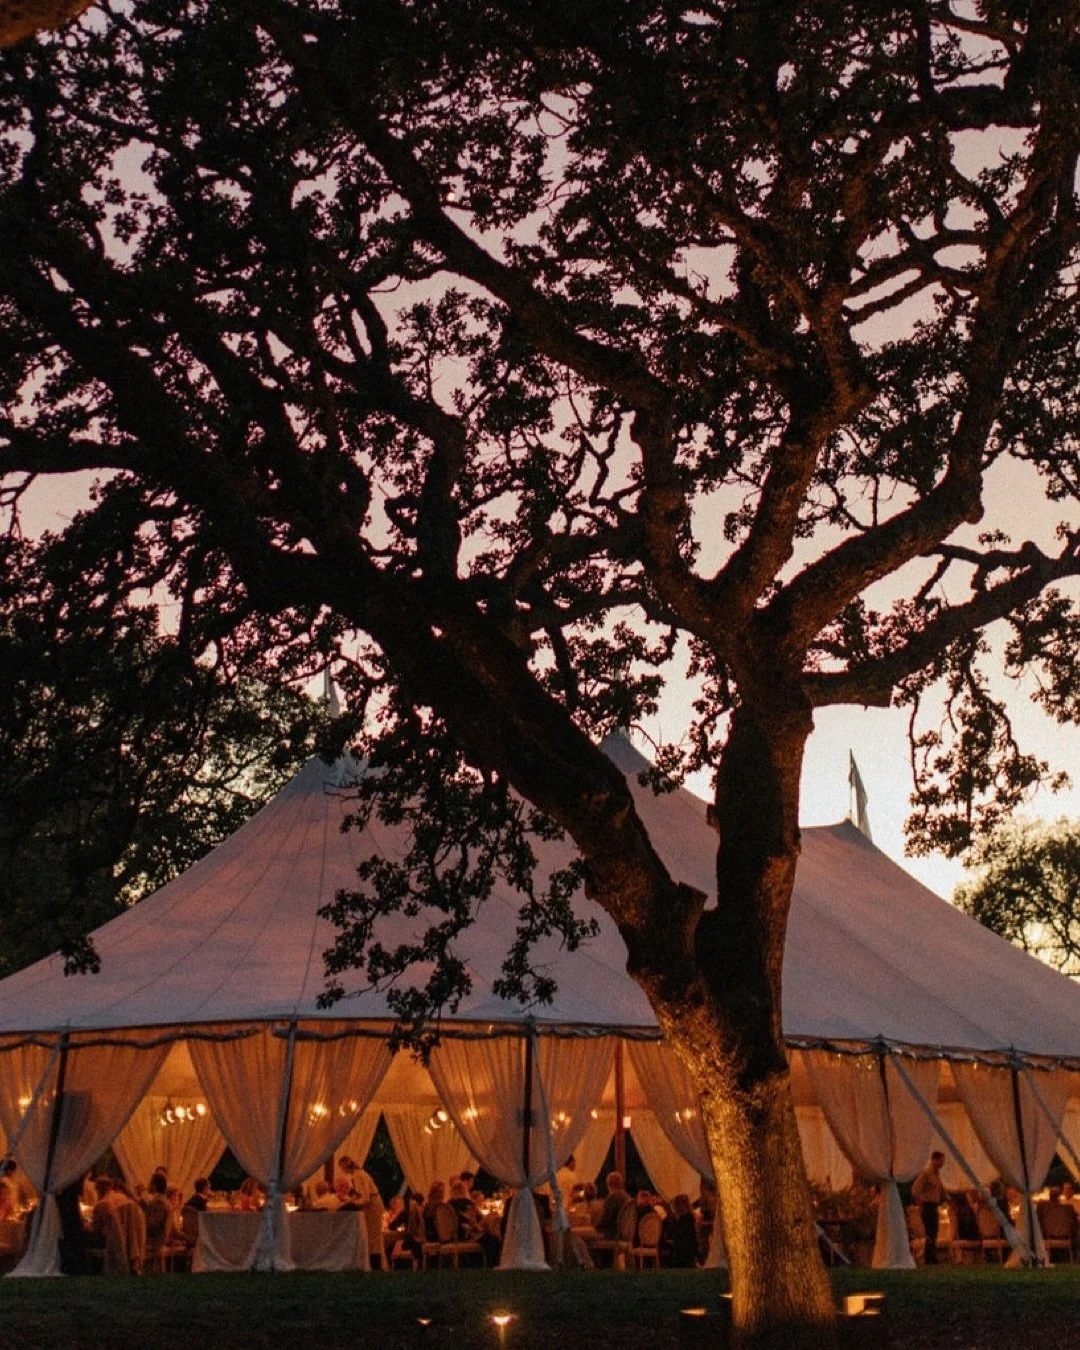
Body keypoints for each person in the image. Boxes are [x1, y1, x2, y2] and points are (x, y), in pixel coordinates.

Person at [912, 1151, 948, 1264]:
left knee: (934, 1231)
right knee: (930, 1232)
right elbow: (916, 1190)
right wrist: (920, 1205)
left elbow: (940, 1191)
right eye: (941, 1160)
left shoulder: (937, 1174)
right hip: (927, 1205)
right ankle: (929, 1258)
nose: (942, 1163)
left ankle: (932, 1256)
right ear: (934, 1160)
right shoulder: (926, 1173)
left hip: (934, 1205)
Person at [660, 1192, 699, 1268]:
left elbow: (673, 1236)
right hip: (689, 1256)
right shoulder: (690, 1220)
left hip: (679, 1255)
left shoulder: (679, 1222)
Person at [597, 1171, 630, 1239]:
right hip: (626, 1234)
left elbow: (605, 1219)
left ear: (609, 1184)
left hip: (613, 1234)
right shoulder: (627, 1196)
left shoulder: (613, 1197)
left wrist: (595, 1225)